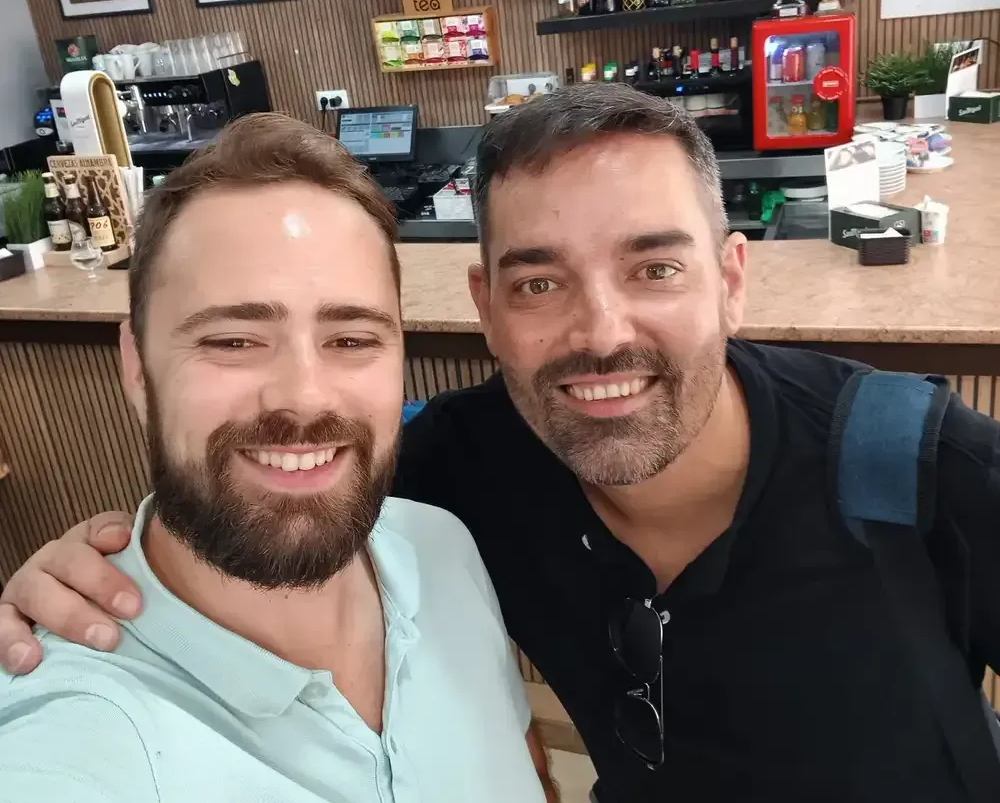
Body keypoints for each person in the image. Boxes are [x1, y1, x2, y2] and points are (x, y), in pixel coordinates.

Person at [3, 85, 1000, 802]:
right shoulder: (458, 483)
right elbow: (277, 493)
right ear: (483, 308)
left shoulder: (919, 464)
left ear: (731, 277)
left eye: (653, 269)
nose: (599, 331)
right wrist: (77, 570)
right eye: (536, 282)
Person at [0, 114, 553, 802]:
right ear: (137, 369)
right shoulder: (80, 740)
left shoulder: (442, 549)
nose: (303, 397)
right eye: (233, 341)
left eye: (352, 339)